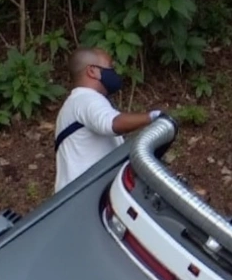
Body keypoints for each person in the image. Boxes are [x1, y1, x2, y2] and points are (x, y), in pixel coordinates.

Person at [54, 47, 162, 192]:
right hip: (83, 197)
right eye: (110, 67)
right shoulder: (85, 99)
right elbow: (111, 123)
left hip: (79, 197)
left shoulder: (76, 103)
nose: (114, 72)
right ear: (92, 71)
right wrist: (154, 117)